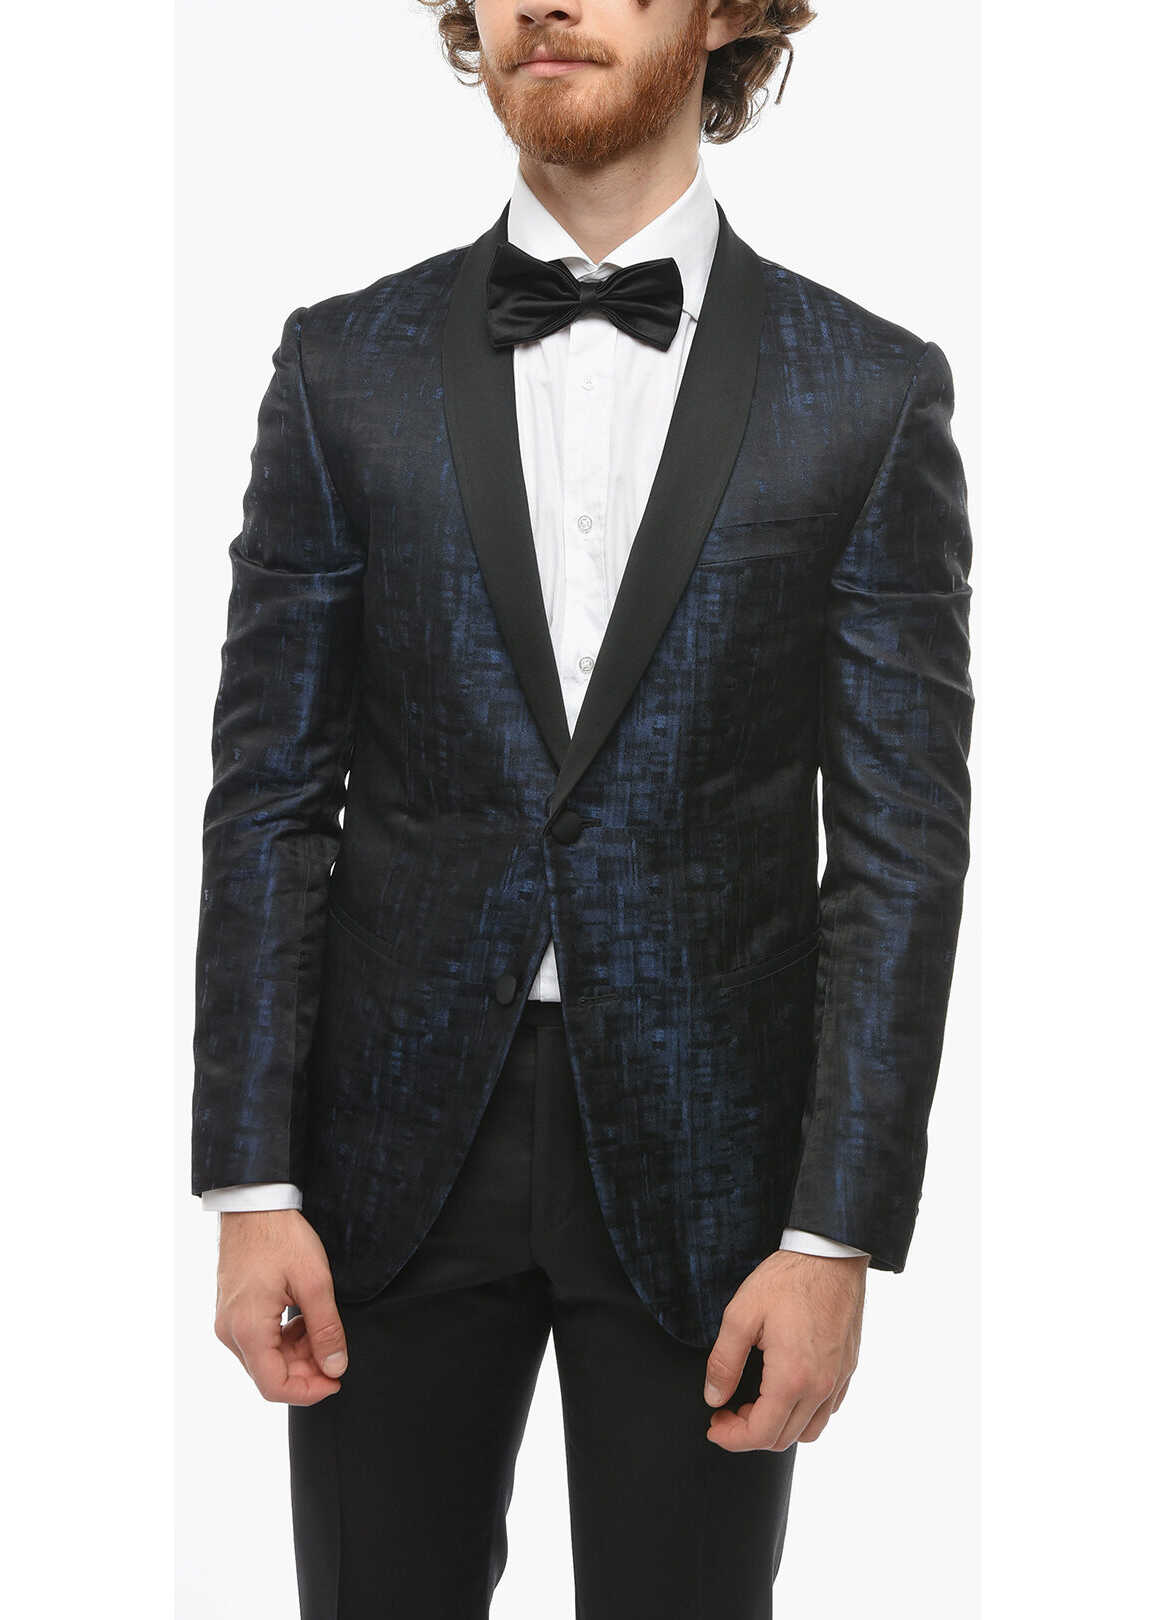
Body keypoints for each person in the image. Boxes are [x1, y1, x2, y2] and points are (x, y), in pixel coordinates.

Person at [191, 3, 974, 1614]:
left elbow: (897, 850)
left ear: (728, 12)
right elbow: (269, 792)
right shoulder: (341, 367)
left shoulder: (867, 393)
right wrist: (250, 1185)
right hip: (385, 1167)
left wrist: (833, 1233)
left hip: (715, 1174)